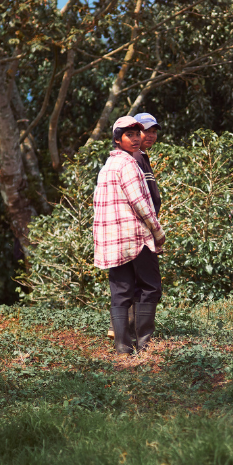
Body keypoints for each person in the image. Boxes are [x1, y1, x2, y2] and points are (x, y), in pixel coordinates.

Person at [93, 116, 165, 355]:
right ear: (117, 140)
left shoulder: (106, 167)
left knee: (121, 290)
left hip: (113, 241)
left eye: (137, 134)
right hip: (135, 237)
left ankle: (123, 348)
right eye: (129, 135)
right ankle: (144, 344)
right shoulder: (128, 165)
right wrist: (157, 232)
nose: (136, 139)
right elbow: (140, 203)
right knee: (150, 286)